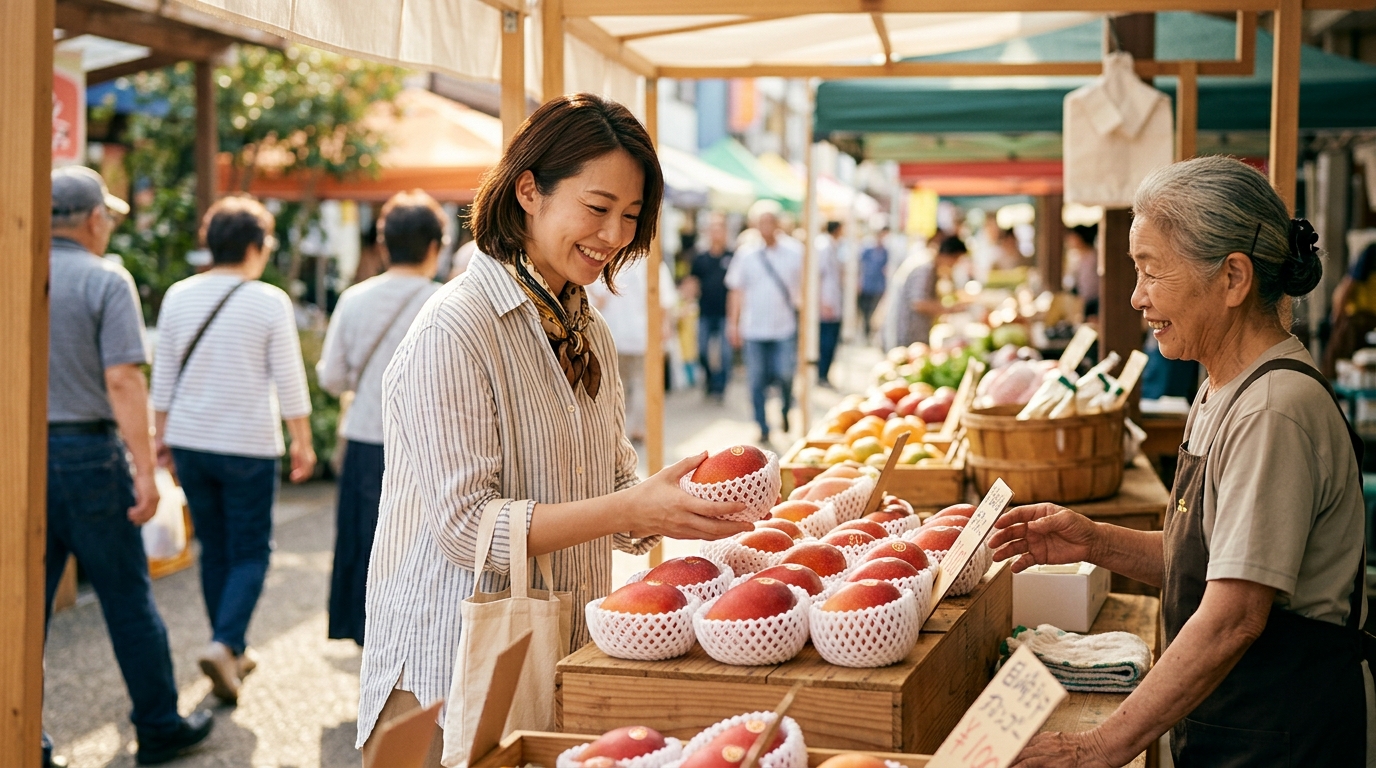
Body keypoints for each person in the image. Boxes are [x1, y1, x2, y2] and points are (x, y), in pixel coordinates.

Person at [355, 94, 750, 767]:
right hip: (444, 666)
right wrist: (629, 506)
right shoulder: (457, 327)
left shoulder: (582, 325)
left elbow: (608, 478)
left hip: (554, 653)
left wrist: (671, 502)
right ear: (529, 190)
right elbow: (467, 529)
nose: (615, 235)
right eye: (598, 208)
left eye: (630, 216)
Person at [993, 156, 1371, 767]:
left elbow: (1233, 616)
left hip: (1286, 737)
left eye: (1152, 272)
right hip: (1237, 724)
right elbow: (1215, 561)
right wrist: (1093, 542)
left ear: (1233, 279)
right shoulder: (1222, 385)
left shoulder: (1273, 410)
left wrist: (1097, 746)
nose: (1138, 297)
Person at [45, 166, 214, 766]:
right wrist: (145, 471)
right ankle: (158, 725)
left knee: (22, 605)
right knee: (125, 597)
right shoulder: (106, 280)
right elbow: (122, 378)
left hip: (24, 458)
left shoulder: (16, 269)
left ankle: (23, 736)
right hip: (90, 457)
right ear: (94, 219)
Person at [151, 196, 317, 704]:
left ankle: (231, 648)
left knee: (216, 549)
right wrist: (302, 441)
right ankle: (225, 644)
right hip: (247, 445)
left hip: (191, 441)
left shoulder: (179, 295)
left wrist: (159, 439)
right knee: (251, 550)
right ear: (254, 246)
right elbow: (289, 380)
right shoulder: (267, 301)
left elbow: (163, 376)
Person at [317, 190, 445, 646]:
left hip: (367, 437)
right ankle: (415, 636)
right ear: (435, 246)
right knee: (421, 548)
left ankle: (365, 633)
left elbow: (332, 377)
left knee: (364, 540)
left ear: (383, 244)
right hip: (432, 447)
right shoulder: (447, 301)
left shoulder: (354, 299)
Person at [726, 201, 803, 443]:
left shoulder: (795, 251)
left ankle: (785, 410)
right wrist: (733, 324)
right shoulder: (746, 254)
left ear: (779, 223)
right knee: (756, 380)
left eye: (770, 221)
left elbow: (805, 287)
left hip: (784, 326)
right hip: (754, 328)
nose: (766, 226)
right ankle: (762, 425)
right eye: (761, 222)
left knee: (786, 373)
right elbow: (736, 291)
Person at [588, 256, 677, 442]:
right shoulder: (651, 266)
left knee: (619, 386)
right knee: (640, 385)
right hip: (640, 337)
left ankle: (623, 430)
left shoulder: (608, 263)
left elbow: (595, 299)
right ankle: (637, 428)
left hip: (614, 336)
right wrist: (665, 326)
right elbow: (665, 301)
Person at [883, 235, 968, 349]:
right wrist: (949, 309)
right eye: (956, 260)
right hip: (907, 333)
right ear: (951, 256)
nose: (955, 265)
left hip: (911, 332)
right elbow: (919, 303)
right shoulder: (925, 268)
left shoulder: (928, 263)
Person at [688, 212, 734, 401]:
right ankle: (708, 380)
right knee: (702, 351)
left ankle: (720, 387)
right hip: (705, 311)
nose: (716, 233)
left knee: (725, 353)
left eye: (719, 229)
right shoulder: (700, 258)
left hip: (726, 313)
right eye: (713, 229)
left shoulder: (733, 256)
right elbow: (692, 282)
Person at [1323, 241, 1376, 378]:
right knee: (1335, 363)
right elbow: (1345, 289)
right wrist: (1337, 321)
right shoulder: (1372, 253)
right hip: (1359, 319)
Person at [816, 220, 844, 388]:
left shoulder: (830, 246)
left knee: (830, 340)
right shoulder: (824, 247)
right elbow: (818, 275)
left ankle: (824, 373)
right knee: (826, 342)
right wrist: (822, 301)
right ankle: (822, 374)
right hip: (827, 304)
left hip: (831, 301)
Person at [857, 227, 890, 343]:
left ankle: (870, 332)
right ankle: (866, 332)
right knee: (865, 310)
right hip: (867, 284)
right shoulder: (867, 249)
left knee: (873, 311)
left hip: (878, 286)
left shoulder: (886, 251)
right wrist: (859, 281)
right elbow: (860, 266)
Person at [1067, 223, 1101, 320]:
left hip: (1093, 302)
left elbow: (1090, 284)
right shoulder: (1078, 257)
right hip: (1084, 301)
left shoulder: (1093, 257)